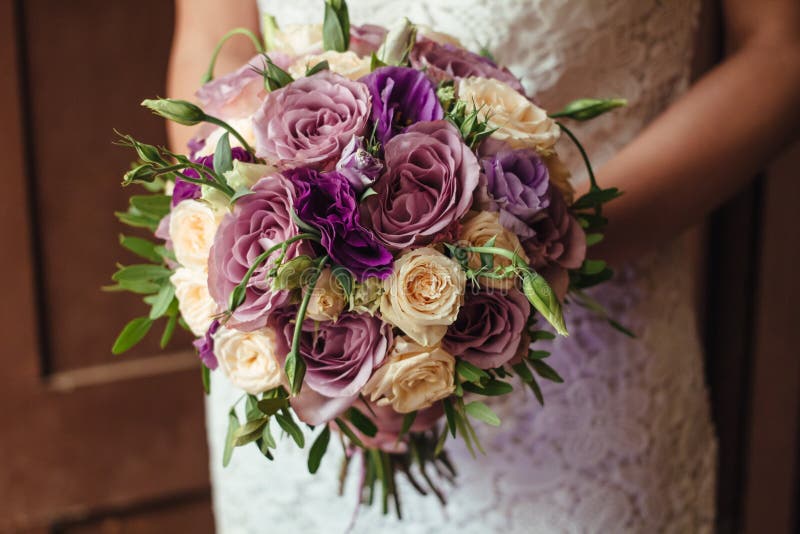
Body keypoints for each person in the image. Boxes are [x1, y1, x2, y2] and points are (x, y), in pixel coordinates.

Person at [168, 1, 800, 532]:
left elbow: (779, 52)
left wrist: (537, 252)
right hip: (292, 364)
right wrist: (306, 318)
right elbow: (211, 46)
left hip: (584, 386)